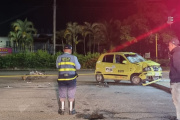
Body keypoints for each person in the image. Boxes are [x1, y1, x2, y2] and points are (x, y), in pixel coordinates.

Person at [56, 44, 81, 115]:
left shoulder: (59, 57)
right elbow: (78, 67)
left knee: (62, 95)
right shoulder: (74, 57)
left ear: (64, 50)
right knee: (71, 94)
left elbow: (57, 66)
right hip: (71, 79)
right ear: (70, 50)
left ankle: (62, 110)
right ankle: (71, 110)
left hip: (61, 79)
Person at [168, 38, 180, 120]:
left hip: (176, 81)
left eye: (169, 45)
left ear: (172, 45)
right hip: (177, 80)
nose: (168, 47)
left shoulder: (176, 53)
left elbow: (178, 66)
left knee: (176, 100)